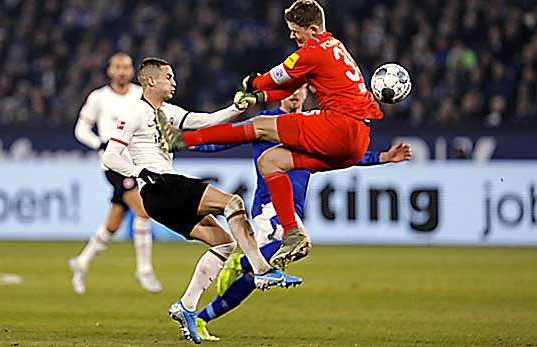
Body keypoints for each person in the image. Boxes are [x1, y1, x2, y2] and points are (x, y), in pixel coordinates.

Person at [157, 0, 385, 269]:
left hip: (340, 126)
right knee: (270, 162)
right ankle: (293, 233)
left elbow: (273, 77)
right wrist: (260, 95)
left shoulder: (312, 51)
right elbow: (289, 84)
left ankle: (182, 139)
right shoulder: (333, 46)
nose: (292, 35)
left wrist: (253, 83)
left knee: (261, 126)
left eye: (295, 30)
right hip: (356, 140)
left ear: (312, 29)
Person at [101, 57, 302, 344]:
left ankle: (187, 306)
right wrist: (140, 172)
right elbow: (111, 156)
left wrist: (237, 108)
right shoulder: (133, 113)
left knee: (224, 242)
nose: (174, 82)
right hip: (159, 186)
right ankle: (261, 269)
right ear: (150, 81)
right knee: (232, 203)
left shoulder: (168, 112)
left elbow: (206, 121)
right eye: (168, 77)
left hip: (161, 194)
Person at [189, 87, 412, 341]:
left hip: (293, 208)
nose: (294, 94)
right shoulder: (266, 123)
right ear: (280, 93)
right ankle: (239, 262)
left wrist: (383, 157)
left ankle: (201, 318)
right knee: (299, 245)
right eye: (290, 90)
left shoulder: (316, 125)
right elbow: (222, 141)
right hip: (269, 205)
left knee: (255, 279)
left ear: (307, 94)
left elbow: (346, 154)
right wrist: (184, 144)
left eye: (300, 90)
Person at [69, 52, 161, 294]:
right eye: (117, 67)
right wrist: (99, 143)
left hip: (136, 163)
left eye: (126, 67)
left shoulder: (139, 95)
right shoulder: (98, 97)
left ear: (132, 71)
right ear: (109, 70)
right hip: (113, 165)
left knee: (112, 224)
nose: (121, 71)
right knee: (143, 210)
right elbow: (81, 129)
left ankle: (82, 262)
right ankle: (144, 269)